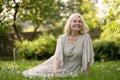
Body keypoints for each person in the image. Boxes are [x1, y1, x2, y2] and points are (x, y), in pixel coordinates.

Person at [22, 13, 94, 78]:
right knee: (37, 71)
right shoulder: (62, 38)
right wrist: (55, 72)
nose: (77, 23)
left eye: (80, 22)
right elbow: (57, 57)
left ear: (82, 25)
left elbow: (87, 57)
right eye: (74, 21)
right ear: (70, 23)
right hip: (58, 64)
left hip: (73, 69)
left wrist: (86, 75)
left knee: (65, 75)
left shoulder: (85, 38)